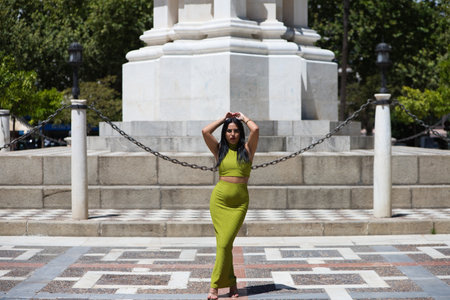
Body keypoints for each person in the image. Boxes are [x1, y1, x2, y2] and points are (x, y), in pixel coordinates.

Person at [202, 112, 259, 299]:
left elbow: (255, 129)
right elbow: (205, 131)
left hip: (239, 204)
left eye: (235, 131)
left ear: (239, 132)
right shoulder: (220, 149)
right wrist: (223, 120)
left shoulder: (248, 149)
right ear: (225, 133)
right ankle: (224, 286)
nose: (232, 134)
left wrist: (243, 118)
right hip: (219, 202)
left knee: (225, 244)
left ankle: (221, 285)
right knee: (224, 245)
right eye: (229, 131)